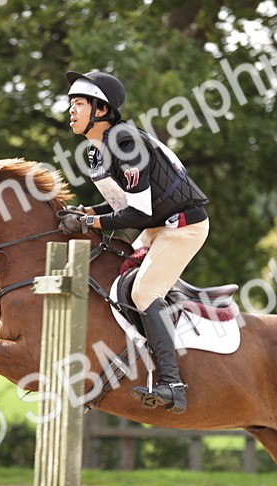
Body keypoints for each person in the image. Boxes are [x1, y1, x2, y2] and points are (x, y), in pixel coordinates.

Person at [59, 69, 210, 414]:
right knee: (113, 281)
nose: (71, 111)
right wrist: (87, 212)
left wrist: (89, 221)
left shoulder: (126, 144)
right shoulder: (98, 151)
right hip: (157, 226)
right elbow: (122, 205)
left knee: (144, 292)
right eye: (72, 104)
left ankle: (173, 384)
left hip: (182, 227)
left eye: (79, 103)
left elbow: (138, 212)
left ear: (102, 109)